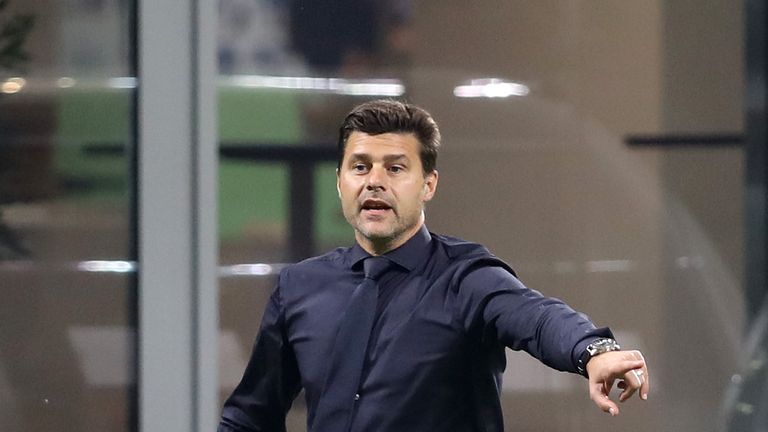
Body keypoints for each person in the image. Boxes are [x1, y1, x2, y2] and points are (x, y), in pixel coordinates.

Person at [218, 99, 650, 432]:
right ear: (339, 181)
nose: (374, 181)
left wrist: (593, 352)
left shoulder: (467, 279)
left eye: (395, 168)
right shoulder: (300, 286)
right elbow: (250, 416)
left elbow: (537, 318)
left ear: (428, 184)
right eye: (360, 166)